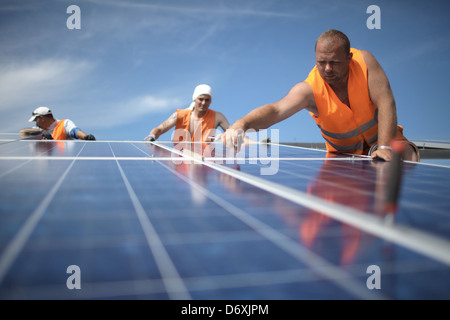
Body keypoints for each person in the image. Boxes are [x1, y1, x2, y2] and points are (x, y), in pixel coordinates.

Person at [223, 29, 420, 162]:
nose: (327, 69)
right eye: (321, 62)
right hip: (343, 159)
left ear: (349, 58)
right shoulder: (309, 89)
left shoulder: (365, 62)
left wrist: (384, 147)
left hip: (389, 144)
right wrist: (242, 124)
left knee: (406, 157)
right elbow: (276, 110)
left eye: (334, 62)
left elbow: (386, 101)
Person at [144, 84, 231, 143]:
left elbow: (233, 132)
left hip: (204, 162)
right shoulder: (180, 115)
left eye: (207, 100)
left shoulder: (217, 117)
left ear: (211, 100)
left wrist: (226, 135)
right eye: (200, 99)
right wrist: (152, 136)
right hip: (180, 161)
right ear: (194, 99)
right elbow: (159, 129)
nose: (204, 103)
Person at [20, 106, 96, 140]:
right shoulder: (37, 130)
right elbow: (23, 133)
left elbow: (74, 131)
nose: (36, 122)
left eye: (36, 120)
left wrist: (86, 137)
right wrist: (41, 131)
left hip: (64, 162)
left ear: (42, 118)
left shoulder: (64, 123)